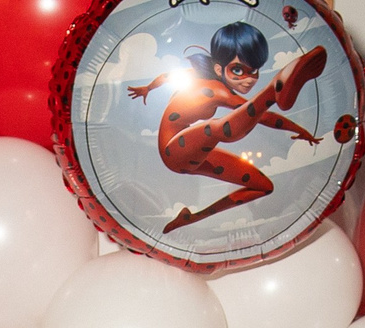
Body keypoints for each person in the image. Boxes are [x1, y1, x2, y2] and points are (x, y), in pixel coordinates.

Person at [125, 23, 328, 232]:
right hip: (173, 151)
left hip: (192, 155)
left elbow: (166, 77)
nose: (248, 80)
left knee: (263, 186)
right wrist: (296, 127)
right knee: (214, 128)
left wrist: (148, 88)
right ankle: (272, 91)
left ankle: (191, 218)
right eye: (238, 70)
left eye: (253, 71)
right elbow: (260, 115)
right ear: (218, 69)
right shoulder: (217, 91)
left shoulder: (195, 74)